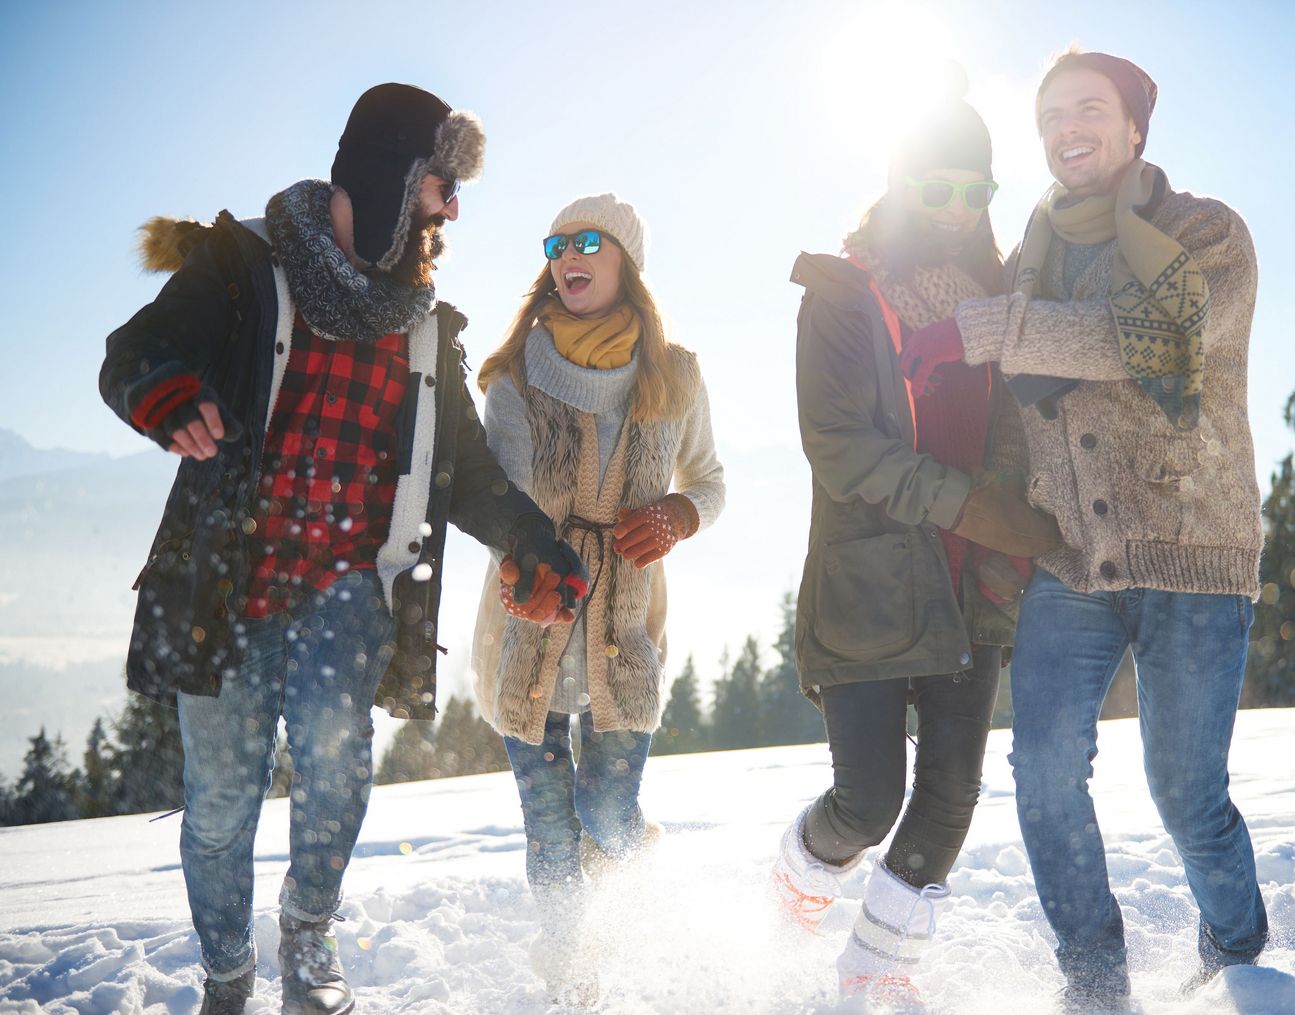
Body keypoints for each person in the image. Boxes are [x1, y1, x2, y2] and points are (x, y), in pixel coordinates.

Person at [99, 83, 585, 1015]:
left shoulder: (424, 325)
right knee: (221, 806)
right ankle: (228, 969)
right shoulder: (240, 266)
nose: (451, 208)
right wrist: (161, 390)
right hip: (229, 584)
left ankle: (310, 933)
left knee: (336, 763)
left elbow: (470, 468)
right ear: (389, 173)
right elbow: (135, 349)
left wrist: (536, 542)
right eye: (442, 183)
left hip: (346, 586)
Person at [901, 50, 1271, 1009]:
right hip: (1071, 562)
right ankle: (1095, 982)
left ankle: (1240, 958)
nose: (1069, 125)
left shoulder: (1206, 233)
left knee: (1187, 793)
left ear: (1134, 125)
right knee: (1043, 772)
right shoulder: (1032, 259)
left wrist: (989, 327)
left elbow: (1146, 342)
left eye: (1089, 108)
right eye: (1052, 112)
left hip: (1196, 558)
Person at [778, 69, 1060, 1009]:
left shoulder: (1002, 304)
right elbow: (839, 448)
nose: (952, 209)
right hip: (869, 581)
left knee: (947, 797)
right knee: (867, 800)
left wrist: (1012, 527)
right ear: (900, 185)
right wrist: (972, 506)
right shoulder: (845, 295)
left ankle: (870, 976)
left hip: (973, 586)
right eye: (933, 188)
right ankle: (792, 894)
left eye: (973, 192)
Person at [470, 194, 725, 1007]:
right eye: (555, 243)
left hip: (625, 635)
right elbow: (492, 501)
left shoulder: (676, 373)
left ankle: (631, 874)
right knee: (550, 829)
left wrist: (681, 514)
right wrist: (520, 566)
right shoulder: (514, 379)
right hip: (531, 629)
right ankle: (569, 982)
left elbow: (711, 484)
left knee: (607, 815)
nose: (566, 255)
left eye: (587, 241)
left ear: (626, 262)